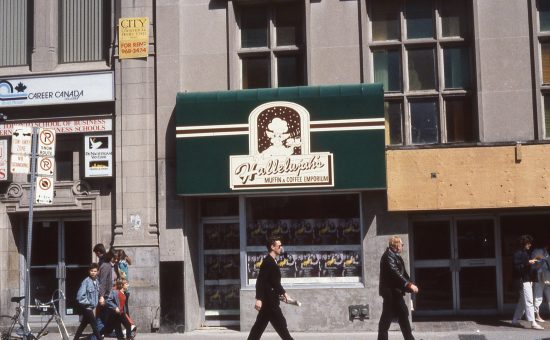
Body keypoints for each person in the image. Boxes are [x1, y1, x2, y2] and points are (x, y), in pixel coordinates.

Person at [247, 236, 294, 340]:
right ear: (273, 247)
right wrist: (259, 299)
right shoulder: (268, 262)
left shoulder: (272, 261)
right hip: (270, 303)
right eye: (279, 246)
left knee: (259, 328)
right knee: (282, 327)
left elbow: (274, 283)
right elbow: (260, 282)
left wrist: (284, 295)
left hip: (270, 302)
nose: (281, 247)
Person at [377, 236, 419, 340]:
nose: (402, 246)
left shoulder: (395, 256)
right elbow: (395, 273)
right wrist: (409, 285)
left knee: (403, 316)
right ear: (396, 245)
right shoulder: (388, 257)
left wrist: (409, 284)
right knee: (386, 320)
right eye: (401, 244)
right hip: (390, 294)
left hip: (395, 293)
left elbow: (403, 274)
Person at [512, 234, 544, 329]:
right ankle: (533, 322)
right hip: (523, 280)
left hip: (526, 279)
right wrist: (528, 263)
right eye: (528, 243)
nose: (530, 245)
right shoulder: (518, 253)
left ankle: (515, 320)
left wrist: (532, 264)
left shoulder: (523, 252)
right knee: (529, 300)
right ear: (524, 243)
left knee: (522, 302)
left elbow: (522, 266)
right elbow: (517, 267)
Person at [73, 263, 102, 340]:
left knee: (83, 325)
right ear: (89, 271)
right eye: (91, 271)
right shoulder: (86, 281)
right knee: (94, 325)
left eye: (95, 271)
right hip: (87, 307)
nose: (93, 272)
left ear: (98, 272)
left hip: (91, 307)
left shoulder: (97, 281)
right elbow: (79, 296)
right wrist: (89, 303)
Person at [531, 242, 550, 323]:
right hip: (539, 276)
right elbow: (535, 265)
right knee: (538, 296)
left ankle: (537, 315)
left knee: (549, 295)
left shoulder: (546, 253)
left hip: (546, 276)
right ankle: (537, 315)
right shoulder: (537, 251)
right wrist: (542, 260)